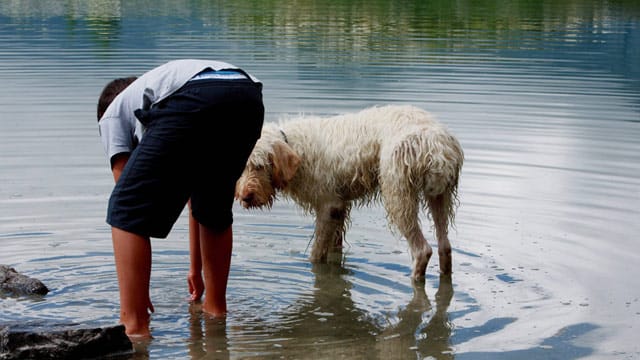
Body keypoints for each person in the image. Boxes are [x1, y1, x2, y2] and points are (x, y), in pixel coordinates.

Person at [96, 59, 264, 338]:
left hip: (198, 94)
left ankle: (134, 326)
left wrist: (137, 295)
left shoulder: (112, 115)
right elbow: (194, 203)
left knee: (124, 210)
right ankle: (215, 310)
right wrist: (194, 271)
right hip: (246, 96)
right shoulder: (160, 102)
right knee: (212, 205)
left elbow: (131, 209)